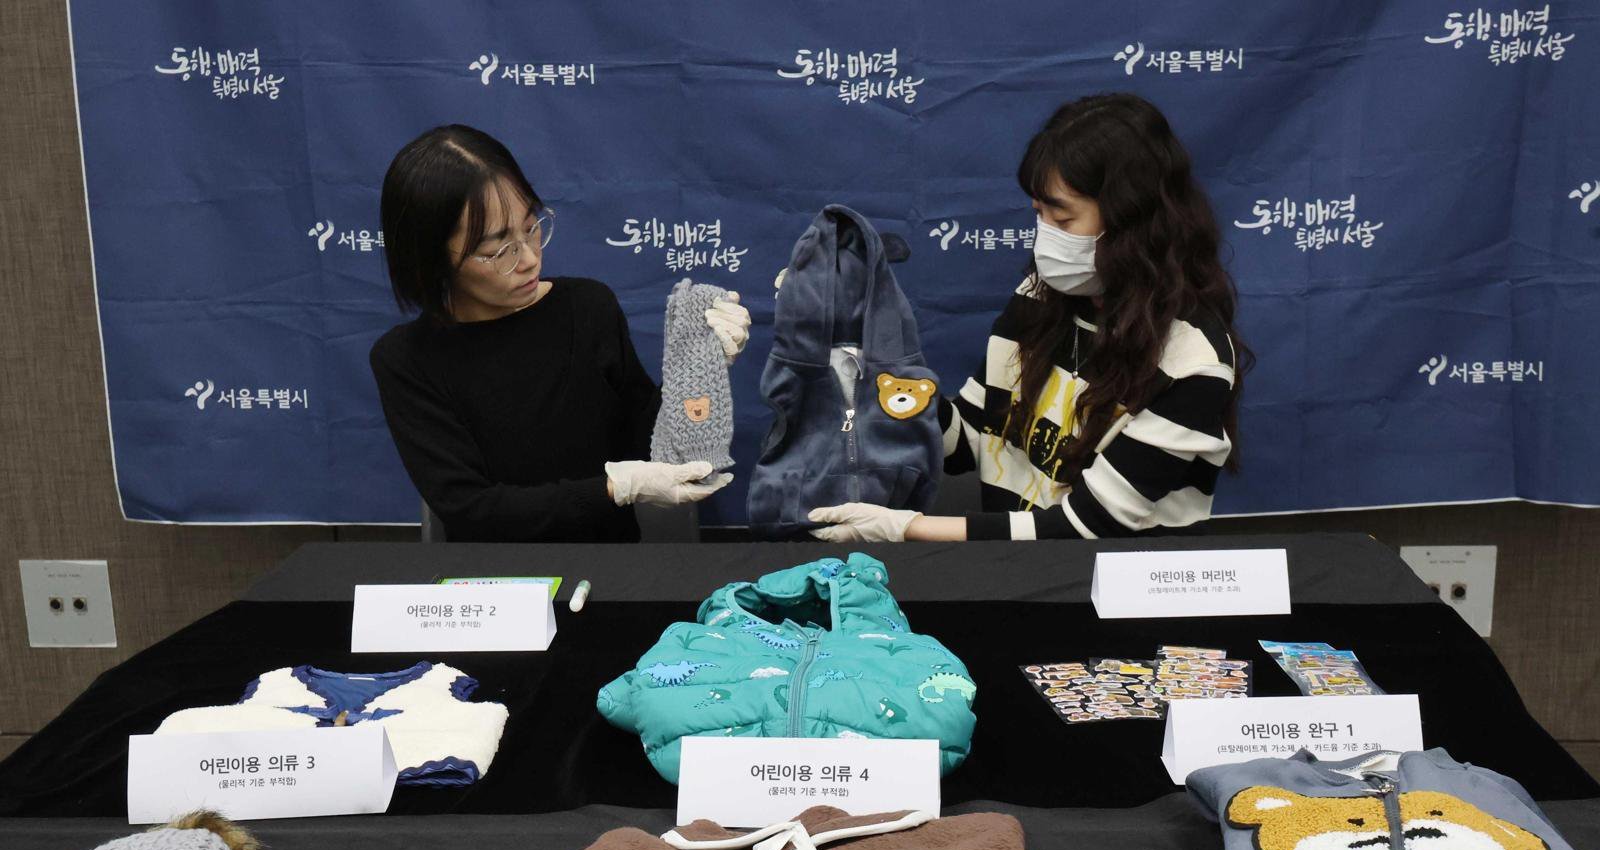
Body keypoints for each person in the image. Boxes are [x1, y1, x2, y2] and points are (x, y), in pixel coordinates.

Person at [809, 93, 1250, 543]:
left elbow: (1087, 526)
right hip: (1017, 568)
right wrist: (876, 366)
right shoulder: (1040, 297)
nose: (1046, 238)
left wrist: (907, 528)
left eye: (1064, 218)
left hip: (1118, 579)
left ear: (1133, 221)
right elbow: (970, 439)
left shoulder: (1191, 363)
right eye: (1040, 214)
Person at [369, 124, 751, 541]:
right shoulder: (408, 360)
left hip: (610, 567)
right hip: (495, 578)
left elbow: (648, 443)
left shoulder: (587, 308)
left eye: (532, 227)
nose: (529, 259)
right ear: (432, 259)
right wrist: (615, 488)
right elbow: (470, 509)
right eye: (498, 250)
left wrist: (696, 369)